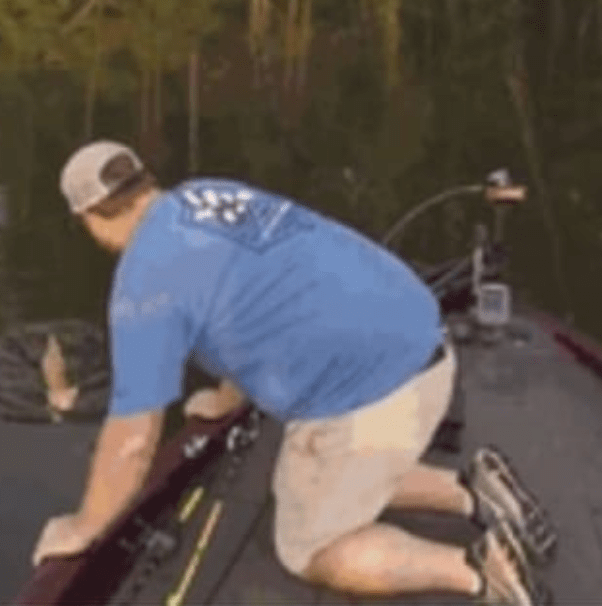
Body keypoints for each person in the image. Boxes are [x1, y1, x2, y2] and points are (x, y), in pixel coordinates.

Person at [31, 140, 551, 605]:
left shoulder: (144, 282)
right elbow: (249, 298)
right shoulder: (204, 196)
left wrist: (86, 526)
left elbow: (132, 439)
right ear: (145, 181)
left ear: (88, 218)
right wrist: (227, 399)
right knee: (310, 481)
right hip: (420, 332)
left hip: (375, 389)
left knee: (308, 547)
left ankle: (480, 572)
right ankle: (475, 491)